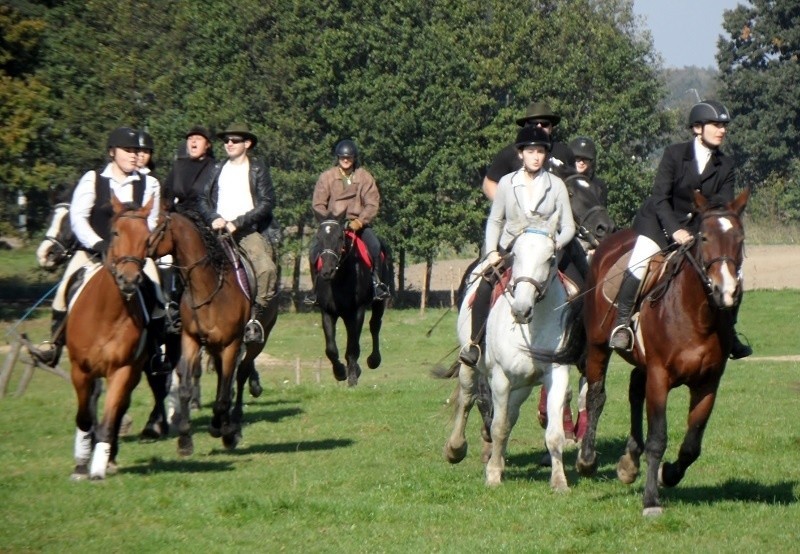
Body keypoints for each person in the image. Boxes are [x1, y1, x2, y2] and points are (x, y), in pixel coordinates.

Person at [608, 100, 752, 359]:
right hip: (659, 223)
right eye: (716, 125)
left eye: (724, 126)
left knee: (733, 272)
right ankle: (622, 324)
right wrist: (674, 230)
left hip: (698, 230)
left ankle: (729, 331)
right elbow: (660, 197)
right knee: (639, 261)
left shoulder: (726, 164)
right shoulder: (675, 154)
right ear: (698, 128)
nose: (722, 130)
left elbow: (720, 207)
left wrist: (702, 234)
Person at [29, 126, 162, 367]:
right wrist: (98, 243)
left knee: (158, 296)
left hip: (132, 256)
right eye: (127, 150)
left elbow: (151, 221)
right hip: (92, 253)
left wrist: (136, 248)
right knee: (62, 293)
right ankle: (53, 345)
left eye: (136, 151)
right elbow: (78, 217)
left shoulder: (149, 183)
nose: (133, 155)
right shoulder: (93, 179)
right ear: (112, 152)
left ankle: (155, 351)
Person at [459, 126, 576, 367]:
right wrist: (491, 252)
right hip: (509, 248)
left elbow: (569, 227)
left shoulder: (556, 185)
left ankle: (573, 345)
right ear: (521, 153)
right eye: (531, 151)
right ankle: (475, 343)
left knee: (574, 291)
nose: (536, 156)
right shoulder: (506, 183)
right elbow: (495, 220)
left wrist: (555, 244)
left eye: (541, 151)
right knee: (484, 286)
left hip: (543, 252)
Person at [197, 123, 278, 344]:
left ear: (247, 144)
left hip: (246, 232)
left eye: (234, 140)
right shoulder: (216, 168)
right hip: (216, 231)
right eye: (226, 141)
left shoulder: (257, 168)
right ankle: (182, 317)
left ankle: (255, 318)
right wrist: (213, 218)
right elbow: (202, 199)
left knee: (266, 269)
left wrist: (239, 222)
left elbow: (267, 202)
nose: (229, 144)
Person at [307, 139, 390, 303]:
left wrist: (359, 221)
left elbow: (372, 203)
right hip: (332, 224)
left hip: (357, 224)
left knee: (375, 246)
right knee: (314, 250)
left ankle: (376, 284)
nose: (345, 160)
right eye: (342, 157)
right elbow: (318, 203)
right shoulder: (327, 177)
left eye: (349, 157)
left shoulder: (364, 177)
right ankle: (315, 289)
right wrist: (329, 221)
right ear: (337, 158)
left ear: (354, 158)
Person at [482, 101, 575, 201]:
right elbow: (489, 183)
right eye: (534, 123)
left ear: (551, 127)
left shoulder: (565, 153)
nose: (539, 126)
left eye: (544, 124)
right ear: (526, 126)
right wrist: (506, 207)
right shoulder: (509, 153)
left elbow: (575, 187)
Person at [163, 125, 216, 212]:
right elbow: (167, 194)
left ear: (207, 145)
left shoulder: (214, 168)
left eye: (198, 138)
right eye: (190, 138)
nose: (193, 141)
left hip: (203, 218)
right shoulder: (178, 166)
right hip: (178, 216)